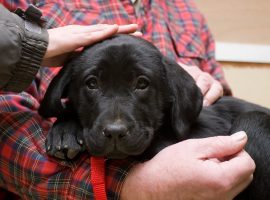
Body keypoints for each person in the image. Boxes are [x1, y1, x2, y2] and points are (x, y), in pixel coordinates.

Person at [0, 2, 255, 200]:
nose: (116, 124)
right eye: (92, 83)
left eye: (141, 84)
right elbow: (5, 113)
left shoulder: (186, 12)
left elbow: (219, 99)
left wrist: (204, 88)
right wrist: (129, 186)